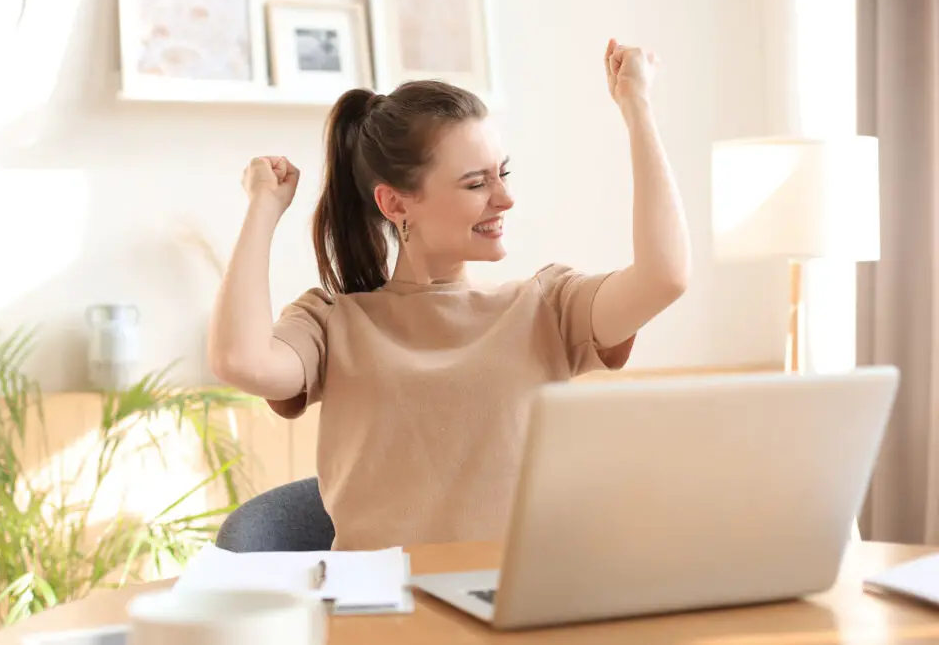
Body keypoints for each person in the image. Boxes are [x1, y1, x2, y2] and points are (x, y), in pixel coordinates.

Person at [209, 38, 691, 551]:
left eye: (502, 173)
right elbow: (242, 360)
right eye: (475, 183)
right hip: (382, 616)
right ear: (396, 203)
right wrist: (263, 206)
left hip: (513, 615)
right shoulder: (331, 324)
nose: (505, 198)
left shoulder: (548, 307)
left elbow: (665, 276)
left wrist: (636, 105)